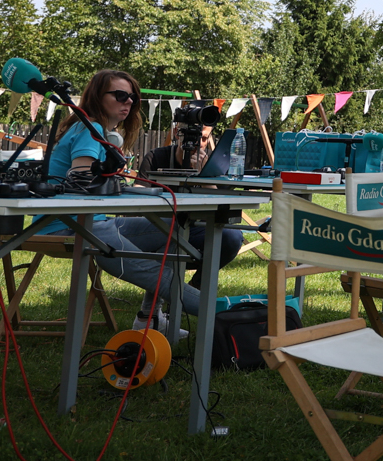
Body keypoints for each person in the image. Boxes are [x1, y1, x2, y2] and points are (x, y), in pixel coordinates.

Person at [47, 74, 241, 333]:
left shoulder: (99, 132)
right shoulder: (90, 130)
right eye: (120, 95)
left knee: (178, 227)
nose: (128, 102)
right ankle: (229, 315)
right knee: (152, 270)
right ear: (97, 97)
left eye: (132, 98)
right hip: (70, 226)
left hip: (95, 222)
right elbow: (82, 182)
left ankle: (149, 318)